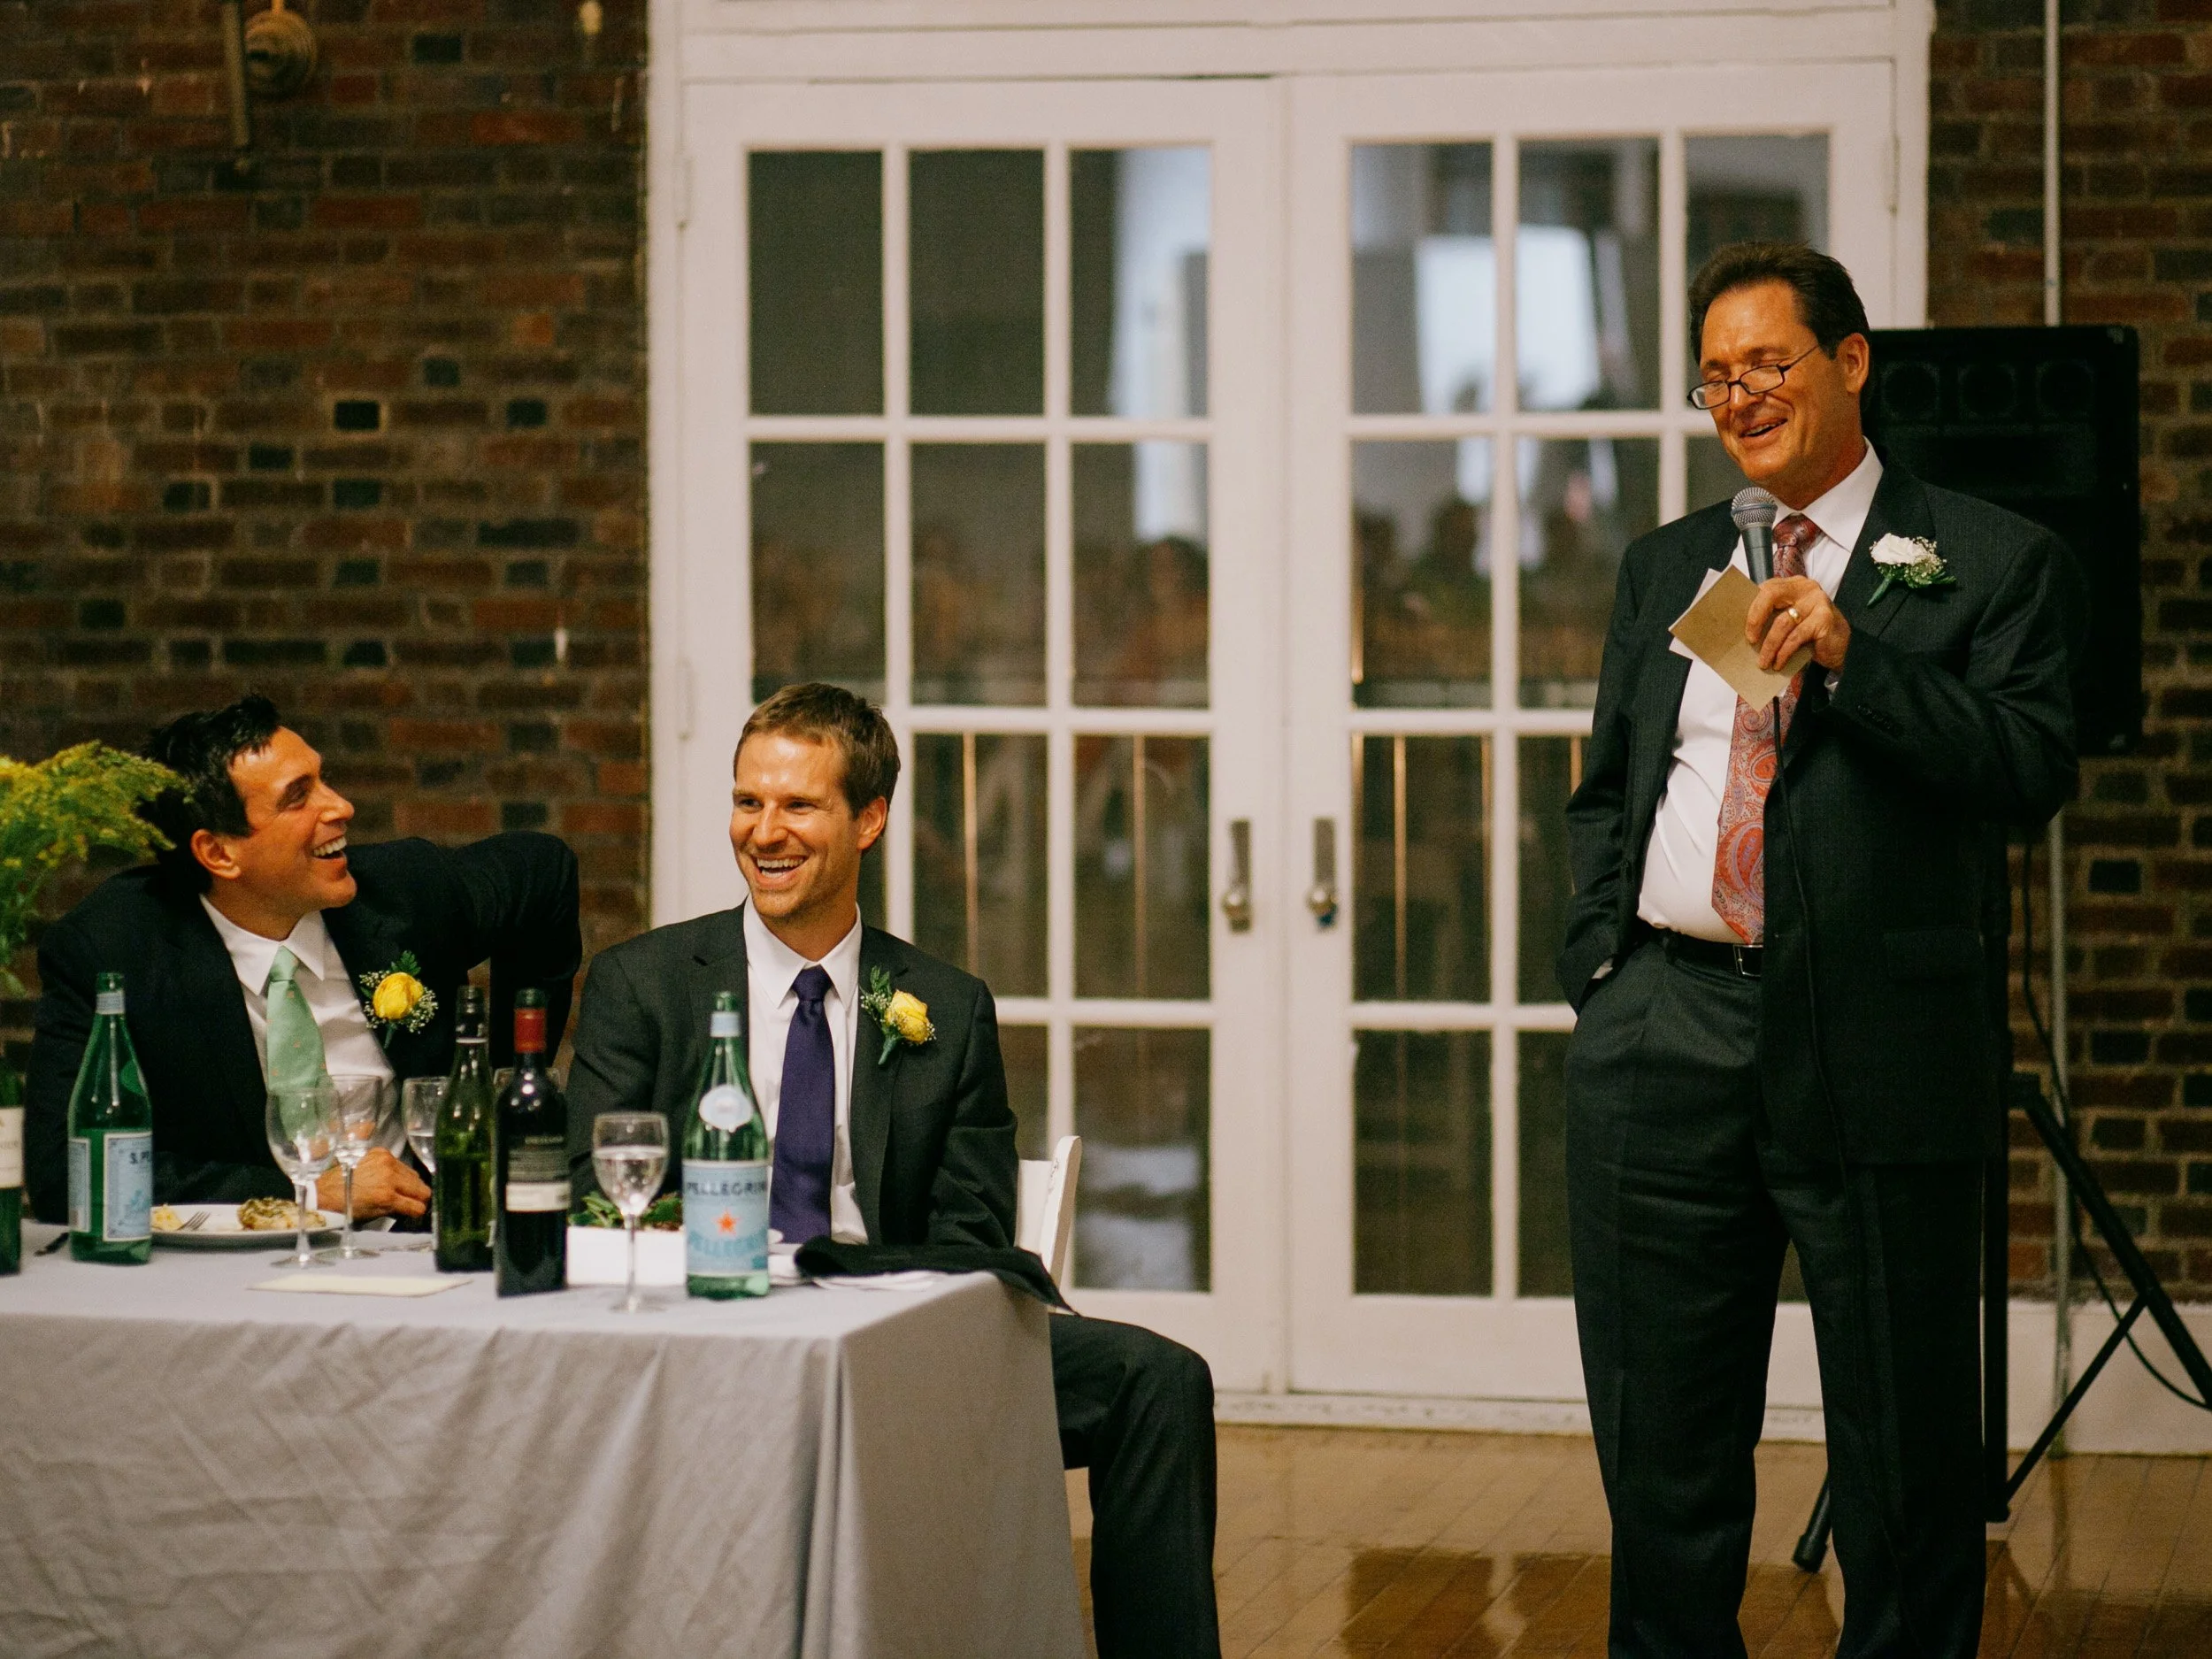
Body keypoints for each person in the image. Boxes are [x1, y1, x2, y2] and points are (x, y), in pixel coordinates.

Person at [1557, 243, 2080, 1656]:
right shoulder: (1668, 559)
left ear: (1852, 362)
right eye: (1716, 376)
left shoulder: (1988, 557)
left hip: (1878, 1042)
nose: (1740, 396)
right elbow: (1609, 787)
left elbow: (2029, 764)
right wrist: (1599, 974)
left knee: (1905, 1454)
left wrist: (1858, 653)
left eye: (1767, 364)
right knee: (1660, 1453)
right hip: (1664, 1031)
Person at [567, 681, 1221, 1659]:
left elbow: (967, 1232)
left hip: (892, 1336)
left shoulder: (944, 1008)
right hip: (707, 1328)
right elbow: (596, 1183)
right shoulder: (644, 985)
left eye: (798, 806)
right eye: (748, 802)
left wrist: (867, 1309)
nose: (764, 832)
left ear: (869, 819)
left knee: (1159, 1382)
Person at [26, 695, 581, 1224]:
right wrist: (308, 1193)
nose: (340, 807)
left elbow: (544, 872)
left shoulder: (405, 893)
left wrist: (503, 1088)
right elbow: (65, 1174)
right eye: (299, 796)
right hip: (230, 1276)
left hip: (419, 1247)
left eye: (323, 779)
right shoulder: (115, 950)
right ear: (218, 853)